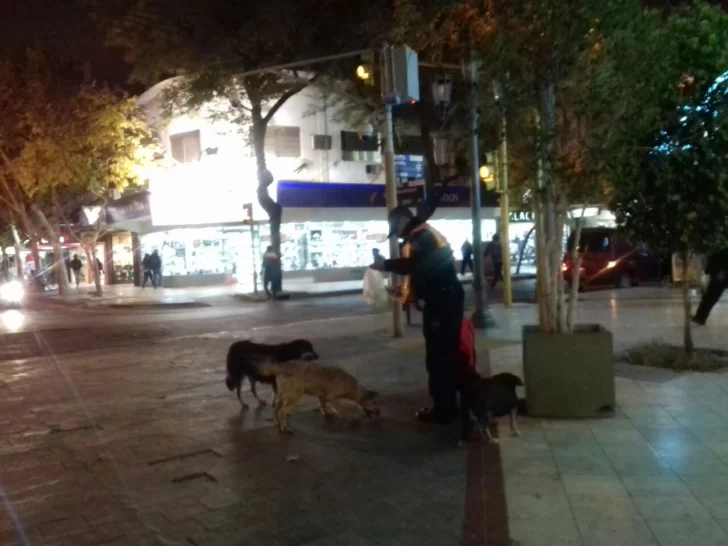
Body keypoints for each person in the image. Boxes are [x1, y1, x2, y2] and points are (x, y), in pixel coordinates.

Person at [370, 205, 464, 424]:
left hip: (443, 304)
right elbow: (426, 272)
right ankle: (447, 406)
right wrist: (405, 292)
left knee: (439, 358)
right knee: (443, 357)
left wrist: (386, 264)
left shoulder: (421, 236)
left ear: (402, 222)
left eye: (396, 229)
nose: (398, 234)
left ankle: (444, 411)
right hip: (444, 300)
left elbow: (419, 266)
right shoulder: (423, 234)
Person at [693, 249, 728, 325]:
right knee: (709, 297)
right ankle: (700, 317)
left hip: (721, 275)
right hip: (720, 273)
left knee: (710, 297)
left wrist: (722, 272)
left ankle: (700, 317)